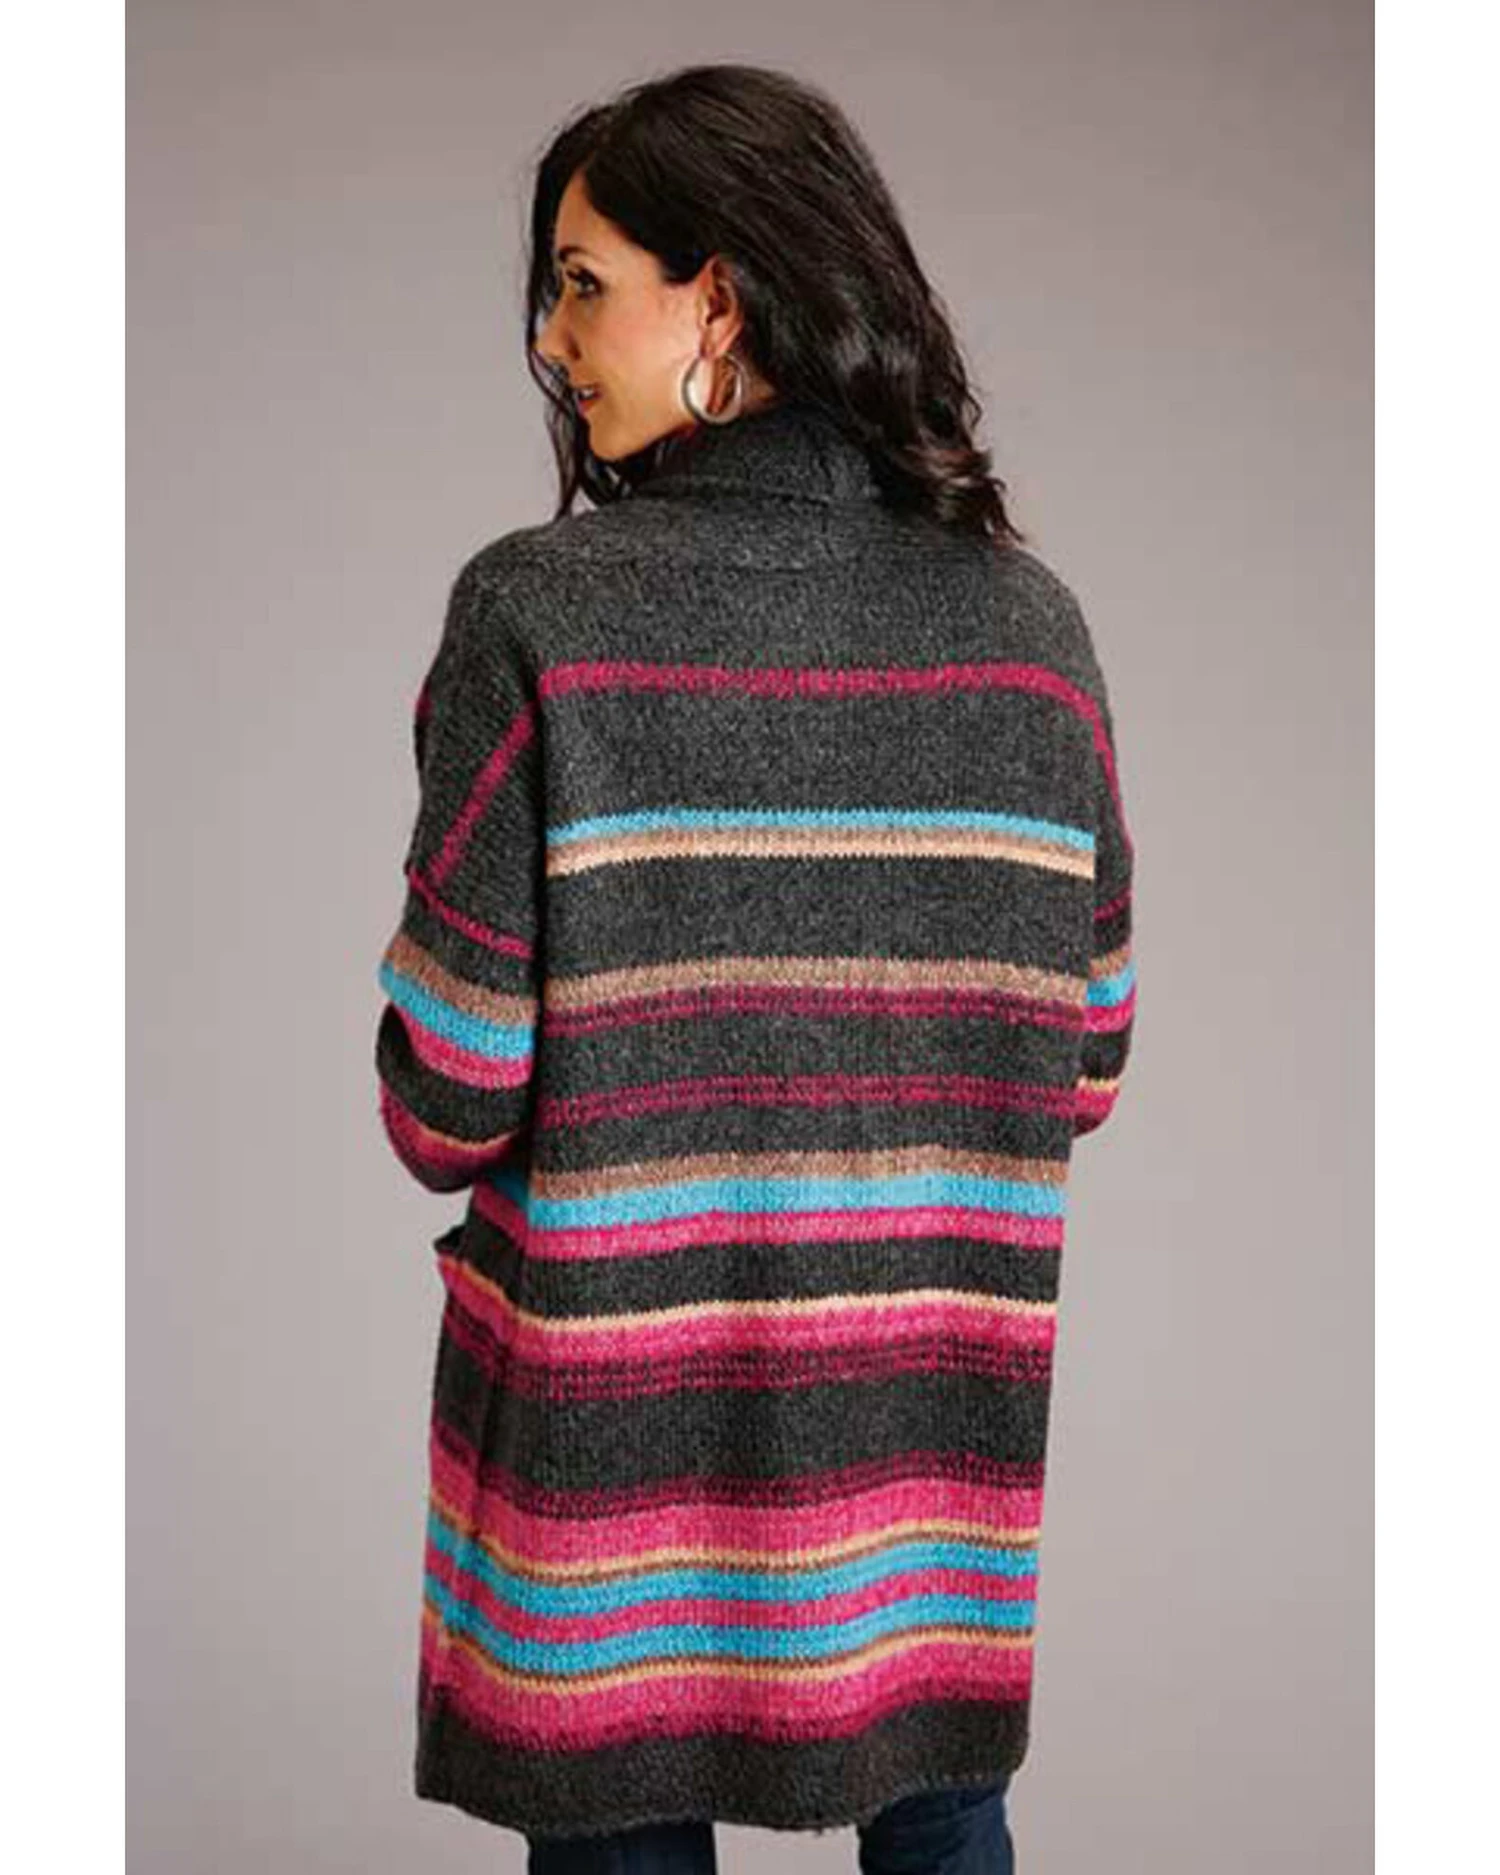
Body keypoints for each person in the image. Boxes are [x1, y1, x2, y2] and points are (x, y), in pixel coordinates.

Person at [373, 61, 1137, 1875]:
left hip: (613, 1467)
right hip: (926, 1462)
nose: (551, 337)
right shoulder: (1033, 632)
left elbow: (444, 1100)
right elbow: (1086, 1059)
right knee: (945, 1821)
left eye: (583, 283)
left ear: (717, 301)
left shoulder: (537, 611)